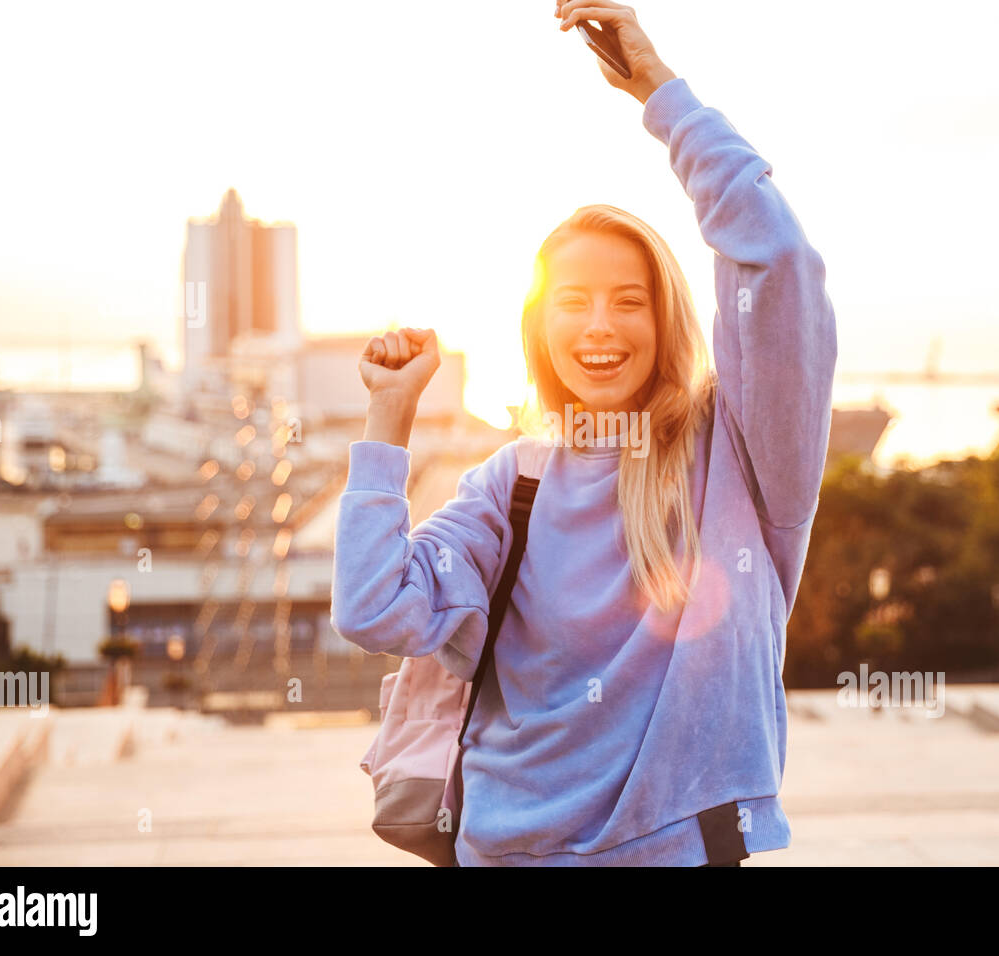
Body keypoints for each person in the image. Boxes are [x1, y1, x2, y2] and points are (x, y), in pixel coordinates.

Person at [331, 0, 837, 866]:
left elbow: (780, 263)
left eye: (628, 300)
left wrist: (664, 97)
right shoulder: (511, 483)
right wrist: (390, 418)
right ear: (538, 327)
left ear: (666, 318)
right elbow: (374, 607)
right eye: (573, 301)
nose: (600, 326)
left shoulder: (740, 457)